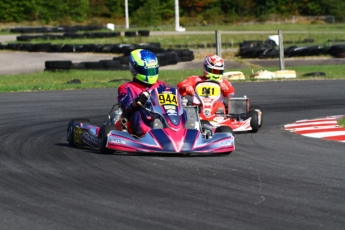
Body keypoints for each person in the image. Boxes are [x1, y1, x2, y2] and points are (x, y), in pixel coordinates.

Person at [117, 49, 168, 137]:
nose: (150, 74)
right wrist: (136, 102)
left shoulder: (161, 85)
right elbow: (126, 109)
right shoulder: (126, 88)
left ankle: (186, 130)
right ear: (135, 69)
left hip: (161, 116)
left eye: (153, 70)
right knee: (138, 112)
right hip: (138, 122)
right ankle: (150, 134)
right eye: (146, 71)